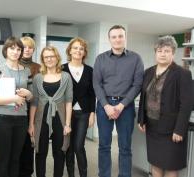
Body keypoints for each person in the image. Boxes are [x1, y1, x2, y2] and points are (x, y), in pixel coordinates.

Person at [93, 25, 144, 177]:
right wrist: (106, 105)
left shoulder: (136, 58)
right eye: (114, 37)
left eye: (120, 36)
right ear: (109, 39)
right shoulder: (100, 58)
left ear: (125, 38)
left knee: (125, 147)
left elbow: (138, 84)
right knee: (104, 145)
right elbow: (97, 83)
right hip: (104, 106)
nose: (117, 39)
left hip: (126, 106)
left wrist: (122, 105)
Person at [138, 35, 193, 177]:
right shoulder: (148, 72)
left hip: (172, 129)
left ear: (173, 53)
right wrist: (141, 120)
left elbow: (186, 104)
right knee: (155, 162)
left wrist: (179, 129)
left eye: (167, 51)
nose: (163, 54)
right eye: (160, 51)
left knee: (170, 166)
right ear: (155, 53)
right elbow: (144, 97)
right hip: (152, 127)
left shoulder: (183, 74)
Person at [0, 36, 33, 177]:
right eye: (12, 48)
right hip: (3, 120)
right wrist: (14, 98)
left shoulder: (26, 71)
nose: (16, 52)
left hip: (21, 120)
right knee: (4, 159)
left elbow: (32, 97)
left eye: (19, 49)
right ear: (6, 50)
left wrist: (28, 93)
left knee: (15, 159)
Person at [28, 46, 73, 177]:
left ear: (57, 57)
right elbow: (34, 102)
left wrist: (68, 124)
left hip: (60, 118)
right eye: (46, 57)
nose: (49, 59)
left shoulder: (66, 77)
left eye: (52, 56)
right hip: (40, 119)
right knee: (40, 152)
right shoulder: (37, 78)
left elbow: (68, 101)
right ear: (43, 59)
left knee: (59, 153)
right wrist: (31, 124)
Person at [63, 37, 96, 177]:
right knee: (68, 147)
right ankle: (71, 174)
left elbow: (92, 93)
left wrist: (92, 113)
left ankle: (83, 174)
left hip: (83, 113)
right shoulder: (62, 68)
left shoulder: (90, 70)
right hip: (65, 114)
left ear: (84, 53)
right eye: (75, 48)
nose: (78, 50)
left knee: (78, 146)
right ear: (70, 50)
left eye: (81, 49)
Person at [18, 36, 40, 177]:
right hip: (16, 110)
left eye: (30, 47)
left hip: (34, 110)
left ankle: (27, 173)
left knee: (29, 144)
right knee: (16, 145)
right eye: (24, 47)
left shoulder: (38, 67)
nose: (27, 50)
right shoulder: (13, 64)